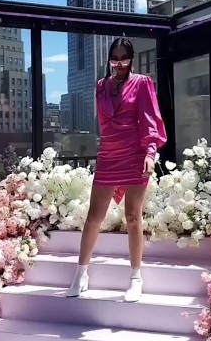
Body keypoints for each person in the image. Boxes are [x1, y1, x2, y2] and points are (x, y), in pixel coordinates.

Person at [66, 37, 167, 303]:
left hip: (135, 154)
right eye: (115, 59)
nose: (119, 64)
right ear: (109, 60)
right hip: (109, 155)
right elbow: (104, 123)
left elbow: (150, 119)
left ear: (131, 59)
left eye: (124, 59)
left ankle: (136, 277)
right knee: (93, 217)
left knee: (132, 217)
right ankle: (81, 273)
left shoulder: (143, 83)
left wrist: (150, 152)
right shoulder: (101, 86)